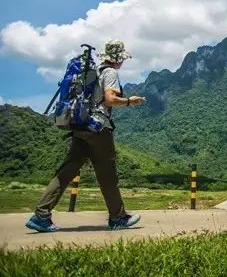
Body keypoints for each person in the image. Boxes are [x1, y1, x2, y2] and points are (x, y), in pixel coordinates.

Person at [25, 40, 146, 232]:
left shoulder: (92, 72)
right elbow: (110, 99)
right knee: (108, 174)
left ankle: (41, 215)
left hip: (80, 127)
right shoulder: (110, 72)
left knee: (66, 171)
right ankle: (118, 218)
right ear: (119, 59)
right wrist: (130, 101)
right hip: (98, 130)